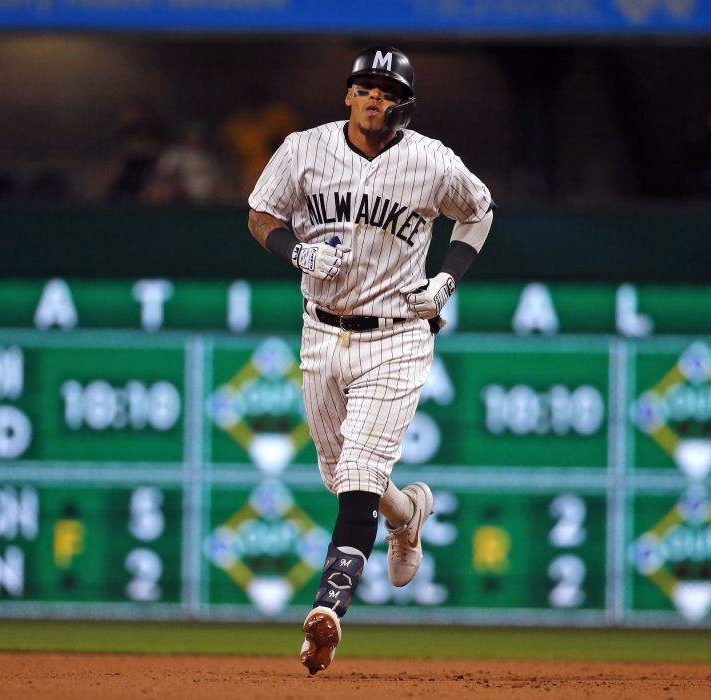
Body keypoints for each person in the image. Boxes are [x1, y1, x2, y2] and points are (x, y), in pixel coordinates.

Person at [246, 46, 494, 675]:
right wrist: (295, 253)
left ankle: (329, 609)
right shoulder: (304, 148)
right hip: (321, 333)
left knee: (358, 468)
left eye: (387, 90)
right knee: (341, 476)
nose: (375, 97)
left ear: (402, 104)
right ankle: (407, 515)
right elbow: (259, 214)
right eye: (365, 86)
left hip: (398, 332)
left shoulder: (431, 160)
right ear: (348, 94)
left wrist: (446, 280)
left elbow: (480, 211)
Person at [142, 123, 221, 204]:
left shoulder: (209, 157)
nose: (196, 140)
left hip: (206, 198)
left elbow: (217, 178)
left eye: (199, 137)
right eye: (193, 137)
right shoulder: (175, 153)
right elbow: (163, 174)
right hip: (181, 195)